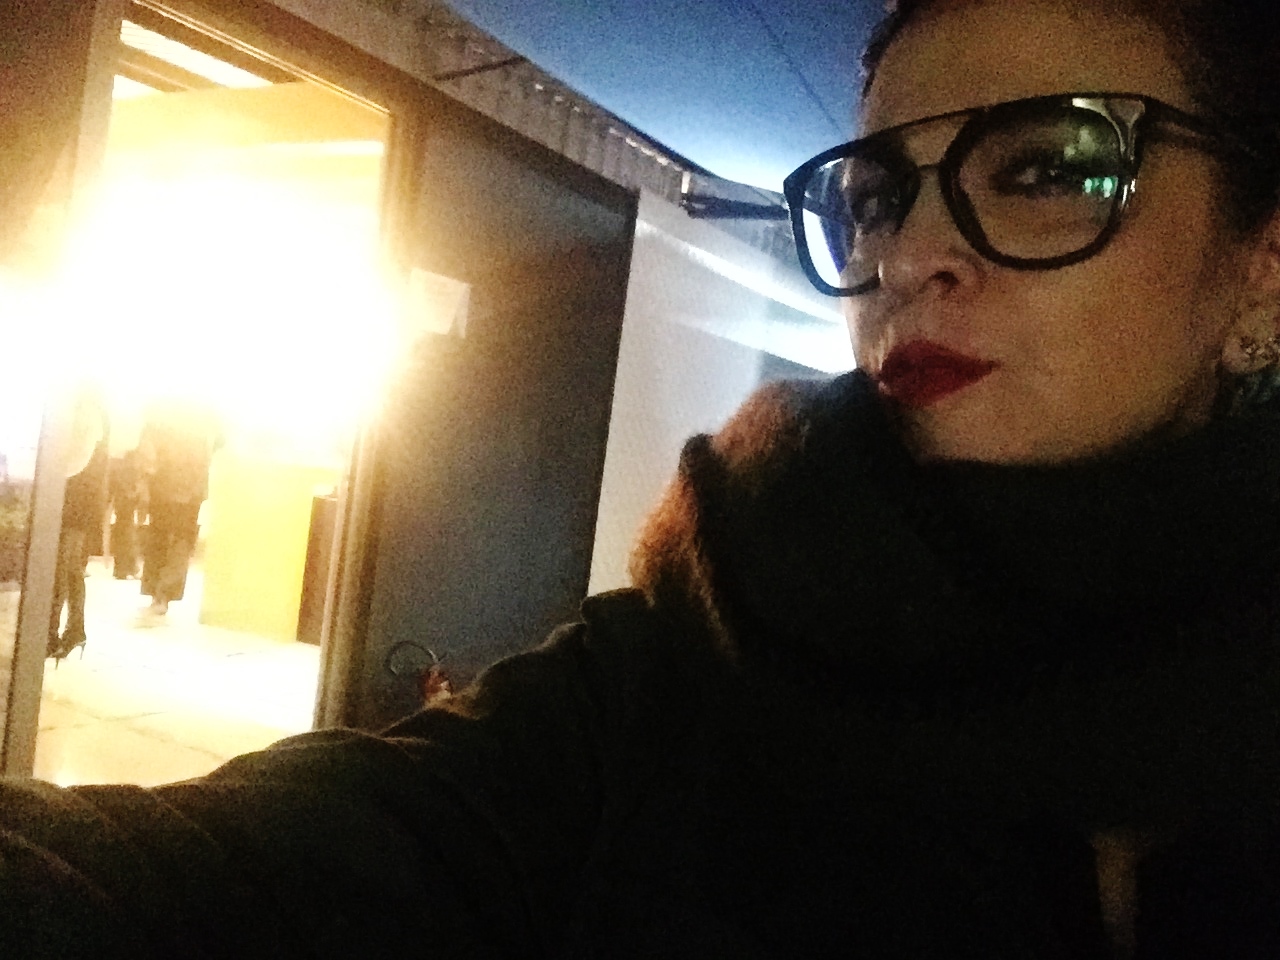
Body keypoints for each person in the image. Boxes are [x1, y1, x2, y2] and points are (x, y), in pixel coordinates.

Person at [3, 0, 1280, 956]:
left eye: (1049, 167)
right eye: (877, 197)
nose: (909, 256)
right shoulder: (691, 662)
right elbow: (234, 879)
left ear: (1260, 270)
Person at [135, 397, 222, 617]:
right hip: (189, 486)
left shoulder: (164, 409)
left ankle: (158, 593)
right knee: (179, 540)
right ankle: (163, 594)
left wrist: (146, 477)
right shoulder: (204, 411)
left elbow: (147, 442)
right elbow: (220, 441)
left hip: (165, 483)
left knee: (161, 537)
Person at [46, 384, 108, 661]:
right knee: (69, 570)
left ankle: (53, 633)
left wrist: (49, 472)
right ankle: (72, 630)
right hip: (78, 504)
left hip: (74, 504)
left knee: (62, 569)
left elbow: (74, 463)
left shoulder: (85, 416)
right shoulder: (92, 415)